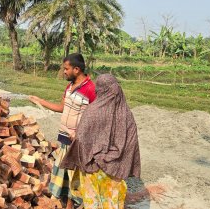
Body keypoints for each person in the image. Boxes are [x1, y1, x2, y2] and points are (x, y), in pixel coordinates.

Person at [60, 74, 141, 209]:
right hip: (116, 170)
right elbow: (131, 143)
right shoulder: (127, 115)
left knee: (93, 203)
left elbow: (81, 141)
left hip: (93, 169)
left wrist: (75, 137)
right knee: (112, 203)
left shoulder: (92, 111)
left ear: (99, 90)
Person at [29, 53, 96, 209]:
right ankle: (65, 203)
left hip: (78, 142)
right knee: (63, 174)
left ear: (77, 69)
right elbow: (61, 108)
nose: (64, 72)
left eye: (66, 69)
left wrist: (80, 132)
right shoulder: (69, 86)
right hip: (65, 138)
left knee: (74, 176)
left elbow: (96, 117)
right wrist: (39, 101)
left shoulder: (91, 89)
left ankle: (72, 205)